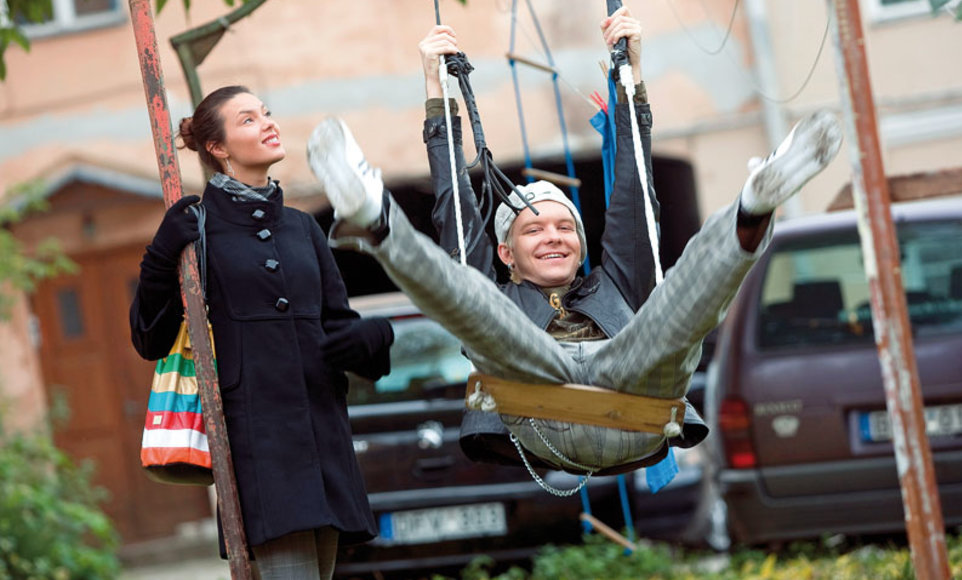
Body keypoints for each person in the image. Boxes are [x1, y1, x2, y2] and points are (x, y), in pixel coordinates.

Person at [308, 7, 842, 477]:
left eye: (565, 227)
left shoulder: (616, 285)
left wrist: (631, 76)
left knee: (679, 305)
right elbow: (456, 212)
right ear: (505, 254)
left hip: (636, 393)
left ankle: (753, 204)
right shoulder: (500, 294)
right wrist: (435, 90)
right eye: (533, 230)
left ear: (583, 246)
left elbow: (635, 192)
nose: (554, 236)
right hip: (540, 401)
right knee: (470, 301)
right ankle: (376, 218)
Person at [129, 85, 394, 579]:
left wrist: (373, 340)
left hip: (326, 445)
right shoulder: (195, 231)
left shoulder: (302, 229)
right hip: (259, 456)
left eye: (266, 113)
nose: (268, 123)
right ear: (218, 147)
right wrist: (162, 255)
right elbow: (149, 337)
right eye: (248, 120)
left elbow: (340, 328)